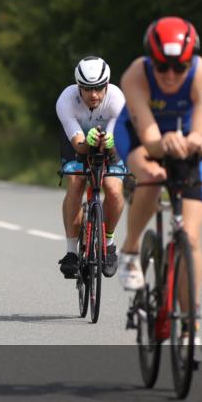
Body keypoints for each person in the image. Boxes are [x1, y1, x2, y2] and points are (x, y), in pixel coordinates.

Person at [113, 16, 202, 356]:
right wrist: (166, 144)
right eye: (162, 66)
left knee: (190, 235)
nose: (171, 75)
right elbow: (149, 138)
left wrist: (192, 143)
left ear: (191, 62)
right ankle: (130, 251)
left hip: (185, 142)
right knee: (152, 175)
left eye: (179, 67)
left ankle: (191, 326)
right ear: (150, 60)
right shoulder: (135, 75)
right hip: (140, 136)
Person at [56, 56, 127, 279]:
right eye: (87, 88)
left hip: (111, 144)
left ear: (107, 85)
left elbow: (116, 140)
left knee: (114, 190)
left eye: (98, 88)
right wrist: (89, 141)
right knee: (76, 183)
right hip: (78, 143)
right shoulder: (66, 100)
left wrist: (109, 143)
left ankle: (109, 243)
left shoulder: (117, 99)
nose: (93, 95)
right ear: (78, 87)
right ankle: (71, 252)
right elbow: (79, 145)